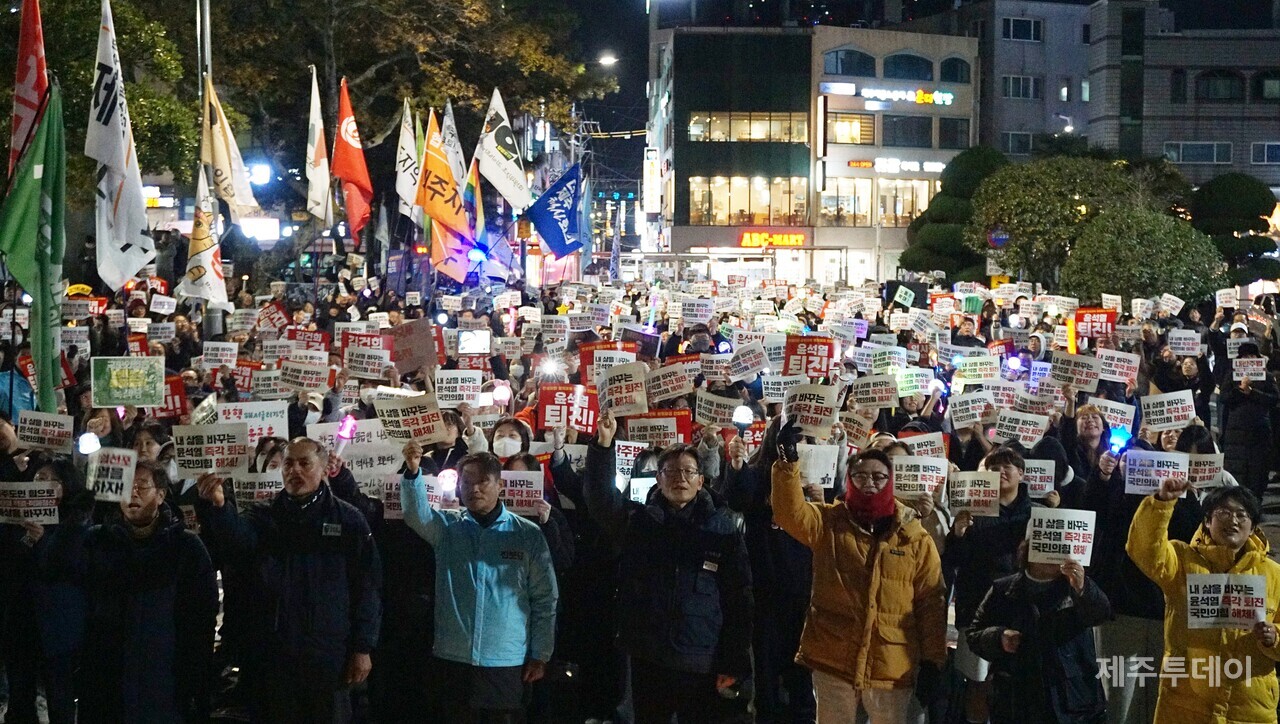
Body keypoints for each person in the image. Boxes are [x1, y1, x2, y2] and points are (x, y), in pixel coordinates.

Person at [196, 438, 382, 723]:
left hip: (328, 654)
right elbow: (238, 543)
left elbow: (366, 588)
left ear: (323, 470)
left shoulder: (348, 520)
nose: (295, 470)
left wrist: (362, 647)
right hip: (275, 652)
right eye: (288, 464)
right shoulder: (264, 515)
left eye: (304, 463)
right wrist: (219, 507)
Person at [585, 411, 753, 723]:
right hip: (648, 655)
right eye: (671, 471)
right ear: (658, 479)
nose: (680, 478)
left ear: (701, 480)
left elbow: (738, 599)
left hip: (701, 658)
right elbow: (600, 501)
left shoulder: (723, 530)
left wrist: (733, 661)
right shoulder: (639, 522)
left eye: (689, 472)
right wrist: (603, 446)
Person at [771, 427, 947, 724]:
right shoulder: (829, 523)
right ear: (849, 479)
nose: (870, 483)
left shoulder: (914, 537)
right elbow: (790, 512)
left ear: (891, 482)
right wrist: (788, 463)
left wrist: (933, 660)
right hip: (834, 658)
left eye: (879, 477)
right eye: (861, 476)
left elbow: (931, 601)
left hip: (891, 664)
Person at [400, 446, 558, 722]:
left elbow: (544, 598)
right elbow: (417, 516)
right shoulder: (448, 528)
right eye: (467, 482)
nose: (474, 489)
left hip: (506, 660)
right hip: (453, 657)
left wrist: (540, 653)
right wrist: (413, 472)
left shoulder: (527, 535)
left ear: (500, 485)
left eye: (482, 481)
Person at [1127, 480, 1280, 722]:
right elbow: (1144, 550)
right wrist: (1161, 503)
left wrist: (1274, 637)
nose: (1233, 520)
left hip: (1249, 710)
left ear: (1252, 527)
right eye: (1223, 513)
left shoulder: (1274, 574)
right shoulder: (1182, 560)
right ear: (1207, 522)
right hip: (1184, 705)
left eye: (1242, 514)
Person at [78, 460, 218, 723]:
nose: (133, 493)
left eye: (142, 486)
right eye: (126, 486)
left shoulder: (186, 546)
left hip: (167, 676)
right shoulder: (98, 541)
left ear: (161, 494)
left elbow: (202, 618)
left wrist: (195, 677)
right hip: (110, 675)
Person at [966, 545, 1110, 724]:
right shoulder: (1002, 589)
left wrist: (1083, 588)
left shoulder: (1075, 587)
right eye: (1047, 548)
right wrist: (999, 637)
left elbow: (1101, 614)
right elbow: (974, 635)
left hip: (1072, 700)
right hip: (1015, 699)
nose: (1053, 555)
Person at [943, 447, 1032, 724]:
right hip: (978, 608)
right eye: (994, 468)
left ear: (1021, 473)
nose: (1001, 472)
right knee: (978, 681)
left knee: (1019, 681)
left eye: (1008, 466)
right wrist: (957, 533)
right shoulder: (971, 512)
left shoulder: (1036, 515)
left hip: (1022, 610)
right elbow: (954, 561)